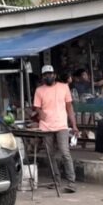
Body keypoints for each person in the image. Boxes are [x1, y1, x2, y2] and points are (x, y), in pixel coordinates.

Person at [32, 65, 78, 193]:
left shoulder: (64, 87)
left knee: (65, 153)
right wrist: (40, 112)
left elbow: (69, 108)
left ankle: (71, 182)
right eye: (46, 74)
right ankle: (55, 180)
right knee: (49, 154)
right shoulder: (39, 90)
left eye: (50, 74)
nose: (49, 76)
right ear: (43, 77)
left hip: (62, 125)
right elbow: (36, 107)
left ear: (55, 75)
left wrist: (74, 125)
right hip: (46, 126)